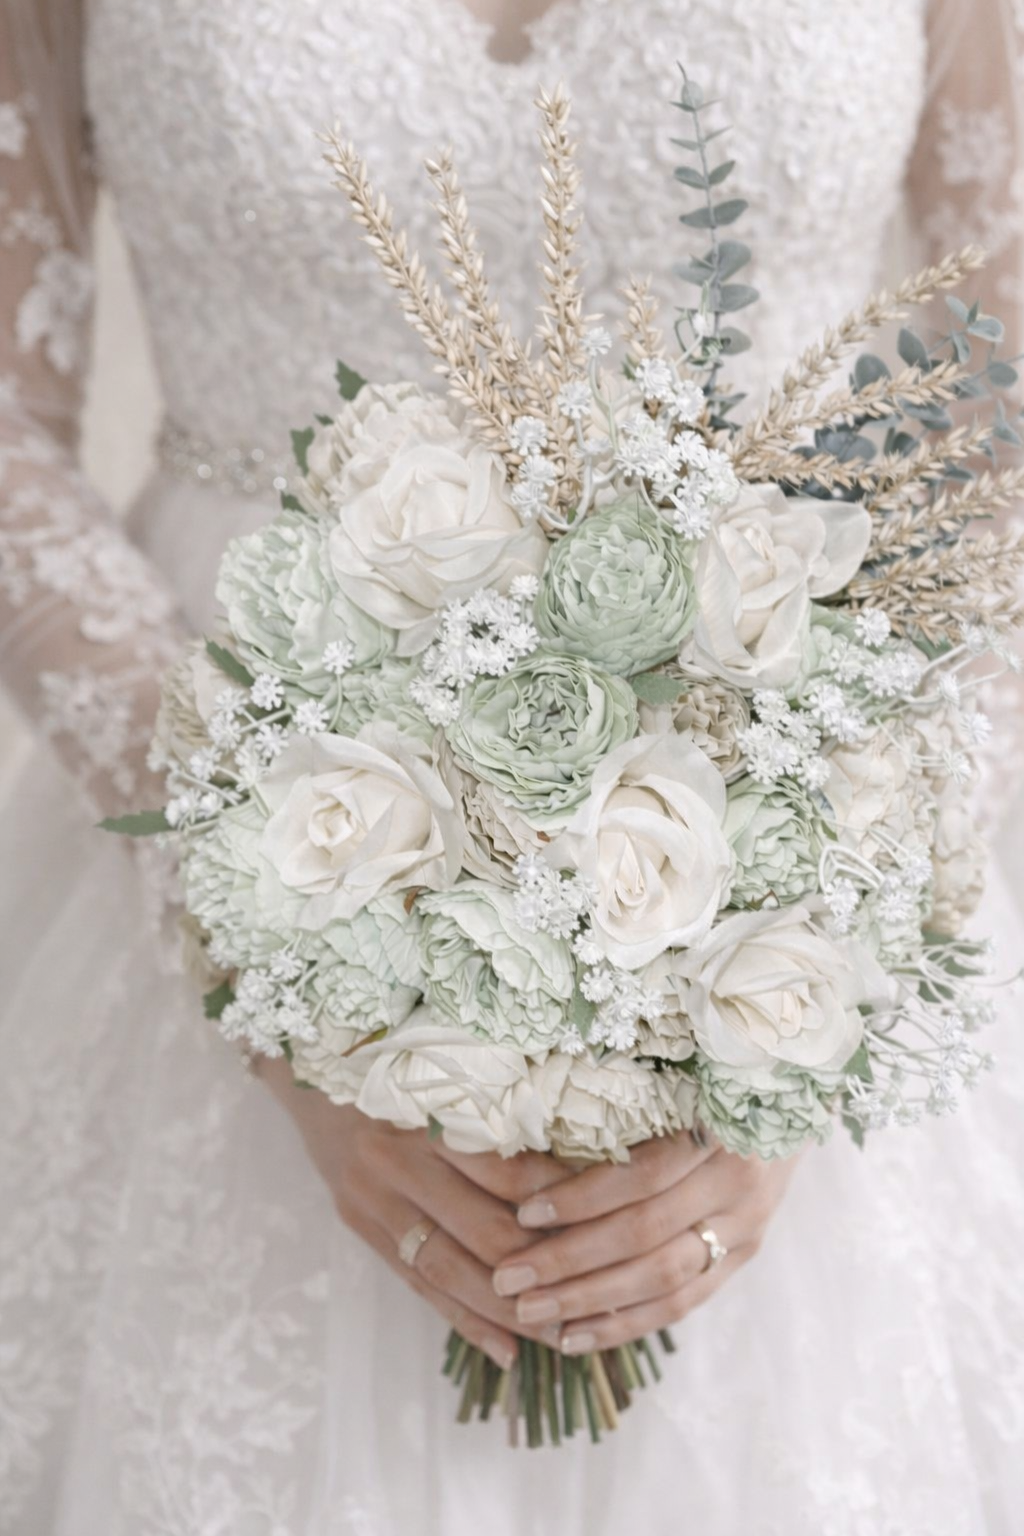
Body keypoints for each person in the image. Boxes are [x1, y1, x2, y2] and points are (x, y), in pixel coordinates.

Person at [1, 2, 1022, 1531]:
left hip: (794, 758)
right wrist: (246, 910)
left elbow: (1000, 388)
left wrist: (832, 951)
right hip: (218, 772)